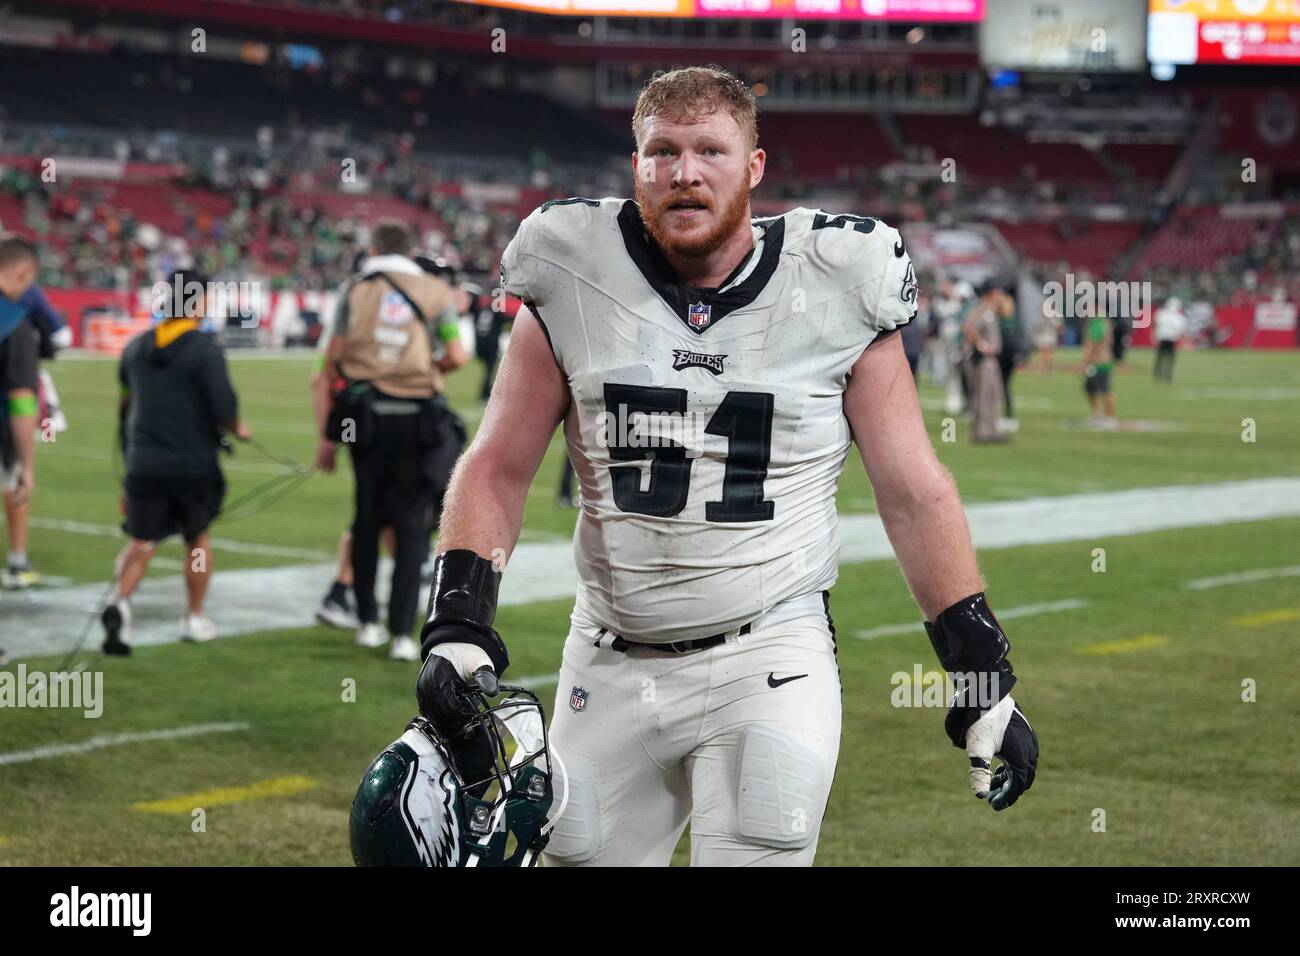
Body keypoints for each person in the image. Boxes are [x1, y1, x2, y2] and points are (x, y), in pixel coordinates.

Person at [413, 66, 1039, 867]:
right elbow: (497, 465)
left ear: (754, 166)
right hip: (605, 654)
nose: (685, 172)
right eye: (661, 151)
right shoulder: (570, 266)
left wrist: (979, 669)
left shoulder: (840, 276)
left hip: (769, 657)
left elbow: (913, 492)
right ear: (634, 164)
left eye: (710, 149)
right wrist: (459, 622)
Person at [315, 222, 467, 662]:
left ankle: (366, 622)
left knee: (366, 518)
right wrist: (424, 371)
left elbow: (333, 359)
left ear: (374, 248)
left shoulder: (354, 289)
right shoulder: (435, 291)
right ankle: (402, 633)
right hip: (418, 420)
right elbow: (456, 354)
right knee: (410, 525)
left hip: (365, 418)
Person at [102, 270, 250, 655]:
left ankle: (119, 603)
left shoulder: (135, 348)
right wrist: (239, 429)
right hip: (191, 465)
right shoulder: (204, 350)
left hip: (142, 462)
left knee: (141, 541)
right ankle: (194, 616)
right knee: (197, 541)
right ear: (197, 302)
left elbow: (123, 405)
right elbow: (225, 407)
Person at [0, 237, 40, 596]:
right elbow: (22, 403)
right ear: (23, 273)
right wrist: (27, 464)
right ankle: (17, 560)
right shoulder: (14, 324)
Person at [963, 282, 1008, 444]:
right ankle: (982, 432)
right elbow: (968, 328)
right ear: (990, 293)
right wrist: (981, 344)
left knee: (992, 395)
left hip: (990, 360)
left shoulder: (990, 310)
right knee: (983, 396)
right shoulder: (981, 310)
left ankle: (991, 430)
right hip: (982, 361)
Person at [1082, 305, 1117, 428]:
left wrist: (1086, 359)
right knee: (1090, 387)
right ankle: (1099, 414)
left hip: (1098, 362)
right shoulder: (1103, 321)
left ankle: (1109, 417)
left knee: (1105, 390)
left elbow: (1094, 342)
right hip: (1101, 361)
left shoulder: (1097, 322)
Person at [1153, 296, 1186, 382]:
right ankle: (1167, 375)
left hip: (1162, 338)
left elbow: (1156, 324)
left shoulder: (1161, 313)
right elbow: (1180, 329)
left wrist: (1155, 336)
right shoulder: (1179, 317)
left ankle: (1157, 373)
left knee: (1160, 357)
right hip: (1171, 339)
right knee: (1169, 358)